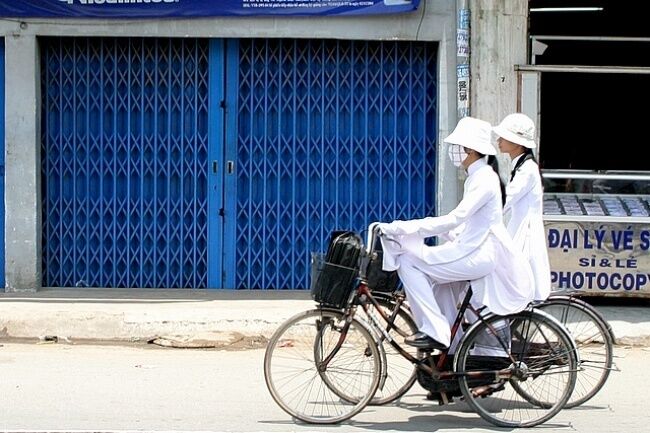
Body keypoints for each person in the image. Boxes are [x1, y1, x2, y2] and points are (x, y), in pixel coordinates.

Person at [377, 116, 534, 350]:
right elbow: (472, 224)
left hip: (475, 255)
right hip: (472, 250)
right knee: (441, 288)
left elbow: (454, 219)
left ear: (469, 150)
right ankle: (451, 352)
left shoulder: (483, 179)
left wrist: (401, 227)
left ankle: (435, 332)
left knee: (408, 262)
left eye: (456, 147)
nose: (452, 151)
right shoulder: (478, 177)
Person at [493, 113, 551, 301]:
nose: (499, 140)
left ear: (517, 143)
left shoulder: (527, 170)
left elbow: (505, 200)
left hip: (524, 235)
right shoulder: (521, 166)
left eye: (504, 136)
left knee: (509, 288)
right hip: (518, 230)